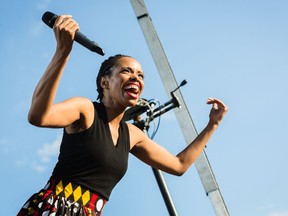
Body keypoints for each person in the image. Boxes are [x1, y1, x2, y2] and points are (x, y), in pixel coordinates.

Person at [17, 14, 228, 216]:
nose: (136, 78)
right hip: (53, 209)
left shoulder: (132, 134)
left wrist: (212, 125)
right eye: (126, 71)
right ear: (105, 82)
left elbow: (179, 165)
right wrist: (63, 51)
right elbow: (38, 116)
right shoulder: (85, 109)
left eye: (140, 75)